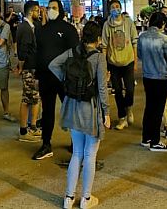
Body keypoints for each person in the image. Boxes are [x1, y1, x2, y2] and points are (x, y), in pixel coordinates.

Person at [49, 21, 109, 209]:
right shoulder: (98, 57)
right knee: (90, 155)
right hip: (90, 108)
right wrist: (106, 112)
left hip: (73, 105)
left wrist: (66, 80)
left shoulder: (73, 52)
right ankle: (86, 199)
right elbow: (102, 88)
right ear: (98, 38)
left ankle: (68, 198)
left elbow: (53, 64)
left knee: (77, 153)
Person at [33, 0, 79, 160]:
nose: (51, 10)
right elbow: (38, 53)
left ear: (60, 9)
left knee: (70, 110)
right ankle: (46, 144)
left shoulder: (69, 29)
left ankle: (76, 143)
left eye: (54, 7)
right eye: (49, 7)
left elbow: (75, 53)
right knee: (47, 112)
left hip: (64, 79)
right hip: (46, 78)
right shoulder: (41, 30)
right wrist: (37, 74)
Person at [138, 12, 167, 152]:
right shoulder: (166, 40)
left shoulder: (142, 37)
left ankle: (146, 138)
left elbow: (140, 55)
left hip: (147, 76)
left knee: (149, 107)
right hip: (162, 77)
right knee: (158, 108)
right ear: (162, 24)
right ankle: (155, 141)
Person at [101, 0, 138, 130]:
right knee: (117, 91)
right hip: (113, 63)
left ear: (121, 8)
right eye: (113, 7)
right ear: (109, 10)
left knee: (130, 89)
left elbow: (134, 41)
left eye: (117, 6)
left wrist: (135, 60)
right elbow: (104, 45)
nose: (115, 9)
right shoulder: (107, 25)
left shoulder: (128, 22)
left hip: (128, 61)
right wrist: (104, 65)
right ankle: (122, 117)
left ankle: (129, 108)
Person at [15, 0, 42, 142]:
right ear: (31, 12)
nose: (39, 13)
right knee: (27, 98)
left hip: (33, 66)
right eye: (37, 10)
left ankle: (32, 126)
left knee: (34, 98)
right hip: (29, 67)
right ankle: (24, 130)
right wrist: (20, 66)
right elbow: (23, 51)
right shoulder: (25, 28)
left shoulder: (31, 26)